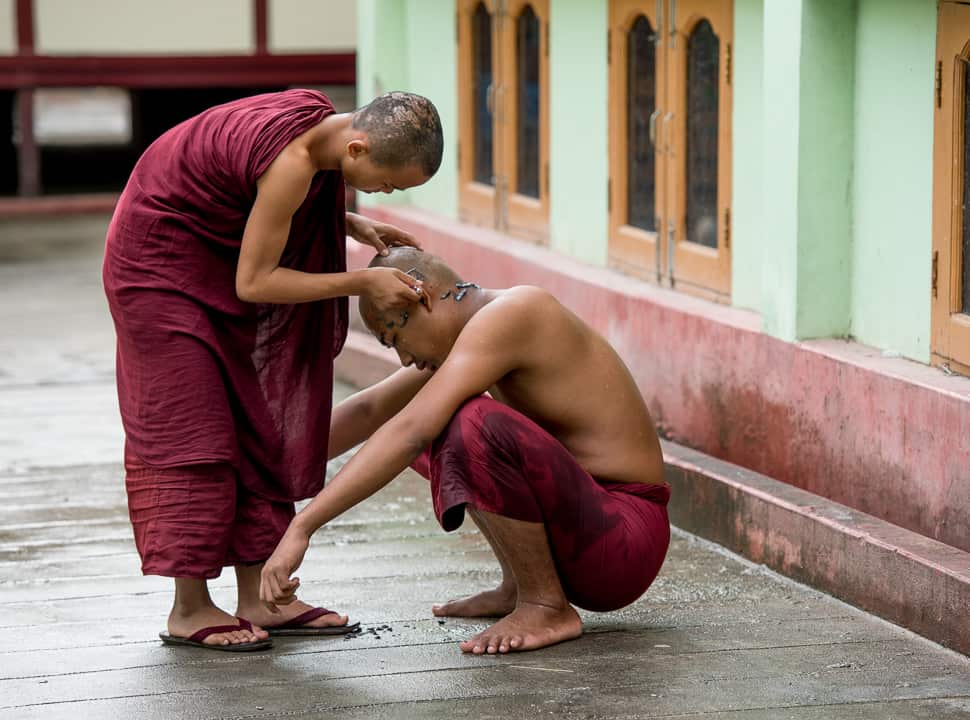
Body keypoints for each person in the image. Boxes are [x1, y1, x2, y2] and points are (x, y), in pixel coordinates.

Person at [102, 89, 443, 651]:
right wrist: (360, 280)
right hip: (159, 270)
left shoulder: (319, 126)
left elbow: (253, 191)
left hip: (216, 250)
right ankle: (189, 607)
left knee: (257, 418)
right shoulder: (293, 164)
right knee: (196, 429)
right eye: (388, 183)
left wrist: (346, 223)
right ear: (356, 147)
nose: (386, 193)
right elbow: (255, 283)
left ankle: (260, 597)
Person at [260, 247, 671, 654]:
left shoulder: (516, 312)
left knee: (468, 424)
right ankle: (519, 585)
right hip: (585, 530)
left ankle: (544, 604)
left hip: (623, 540)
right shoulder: (468, 338)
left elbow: (409, 431)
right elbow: (370, 409)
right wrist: (260, 468)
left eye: (395, 336)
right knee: (442, 423)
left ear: (422, 297)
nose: (405, 358)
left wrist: (303, 526)